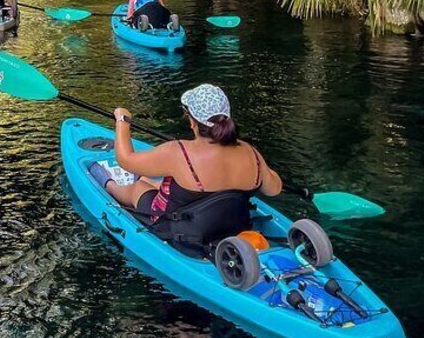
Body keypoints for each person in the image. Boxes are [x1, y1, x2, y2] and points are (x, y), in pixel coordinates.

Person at [88, 84, 282, 241]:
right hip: (233, 225)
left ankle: (110, 186)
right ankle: (147, 180)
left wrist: (122, 120)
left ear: (192, 121)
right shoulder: (251, 153)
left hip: (182, 228)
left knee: (139, 186)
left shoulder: (178, 152)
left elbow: (125, 159)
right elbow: (274, 189)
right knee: (158, 183)